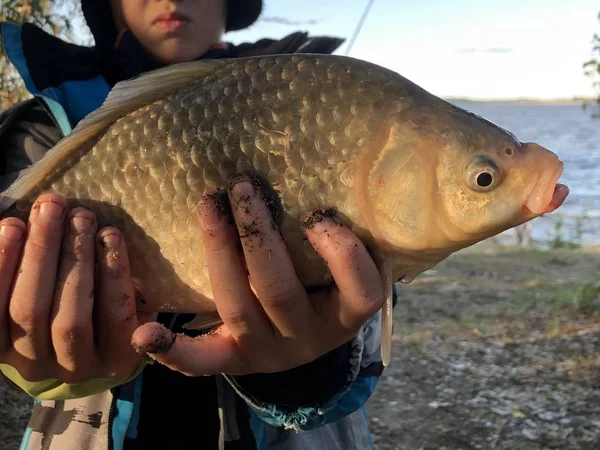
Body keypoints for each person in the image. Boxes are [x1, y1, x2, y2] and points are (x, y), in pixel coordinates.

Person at [0, 1, 388, 449]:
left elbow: (367, 333)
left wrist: (310, 365)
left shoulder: (318, 97)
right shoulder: (37, 129)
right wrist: (40, 359)